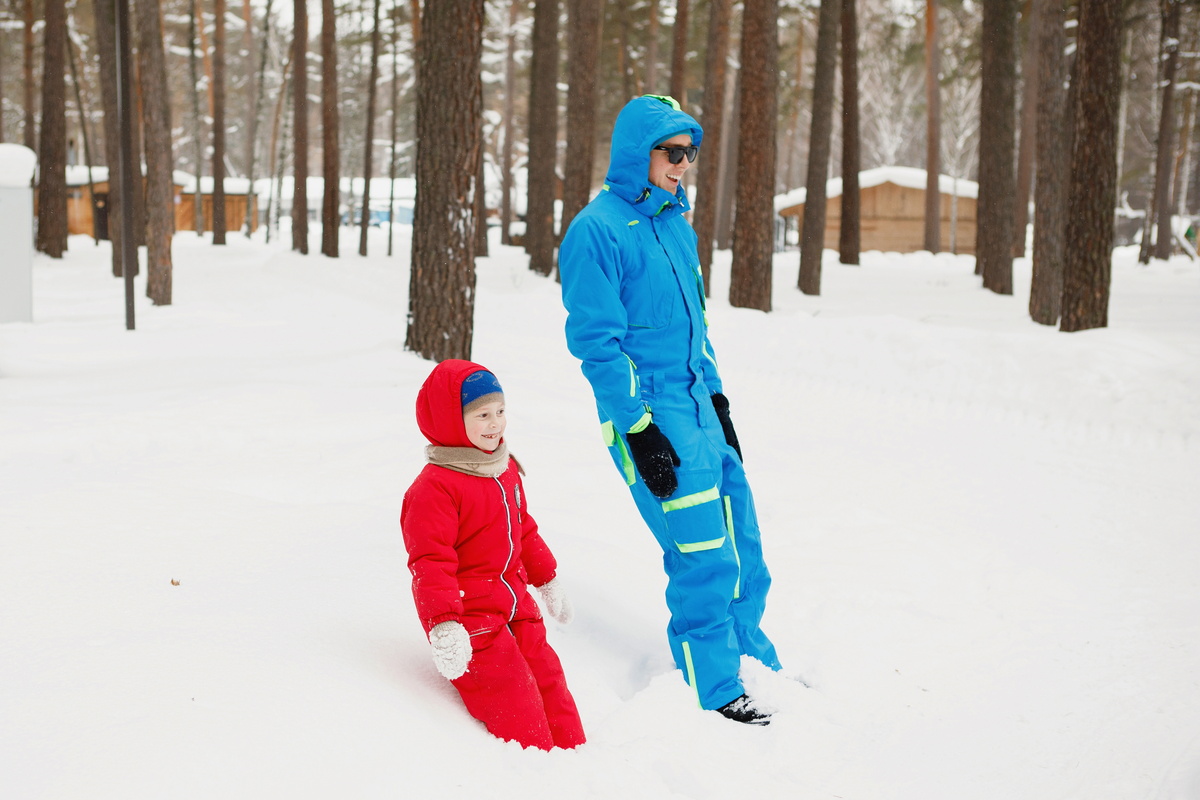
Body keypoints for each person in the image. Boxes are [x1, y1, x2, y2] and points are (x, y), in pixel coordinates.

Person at [558, 95, 781, 726]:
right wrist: (639, 429)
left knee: (743, 538)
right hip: (650, 412)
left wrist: (717, 401)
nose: (683, 164)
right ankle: (713, 685)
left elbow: (695, 328)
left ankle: (751, 658)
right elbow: (597, 345)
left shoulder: (675, 225)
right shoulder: (596, 231)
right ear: (639, 154)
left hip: (698, 406)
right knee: (702, 551)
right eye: (671, 152)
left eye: (690, 152)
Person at [400, 359, 586, 750]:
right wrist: (444, 625)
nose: (496, 423)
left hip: (517, 606)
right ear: (451, 421)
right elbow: (430, 562)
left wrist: (547, 580)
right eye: (482, 414)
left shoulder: (503, 469)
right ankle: (540, 771)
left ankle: (578, 761)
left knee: (551, 685)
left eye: (500, 411)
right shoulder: (435, 489)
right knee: (516, 699)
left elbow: (524, 527)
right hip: (473, 621)